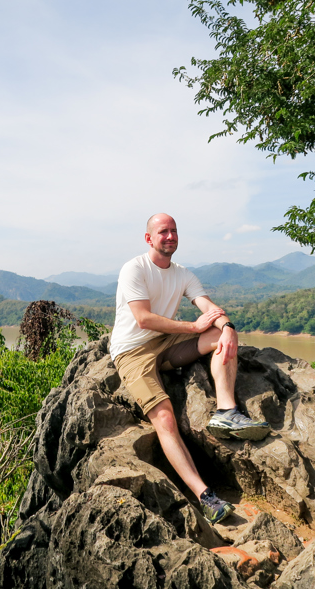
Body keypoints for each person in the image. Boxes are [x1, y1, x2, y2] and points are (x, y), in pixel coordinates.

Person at [110, 213, 270, 524]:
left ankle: (226, 411)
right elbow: (143, 318)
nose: (170, 236)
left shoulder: (183, 274)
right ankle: (205, 495)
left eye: (173, 231)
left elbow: (208, 307)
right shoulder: (134, 269)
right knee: (166, 417)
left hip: (167, 344)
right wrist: (191, 326)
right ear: (149, 239)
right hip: (131, 352)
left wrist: (228, 327)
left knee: (219, 338)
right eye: (162, 232)